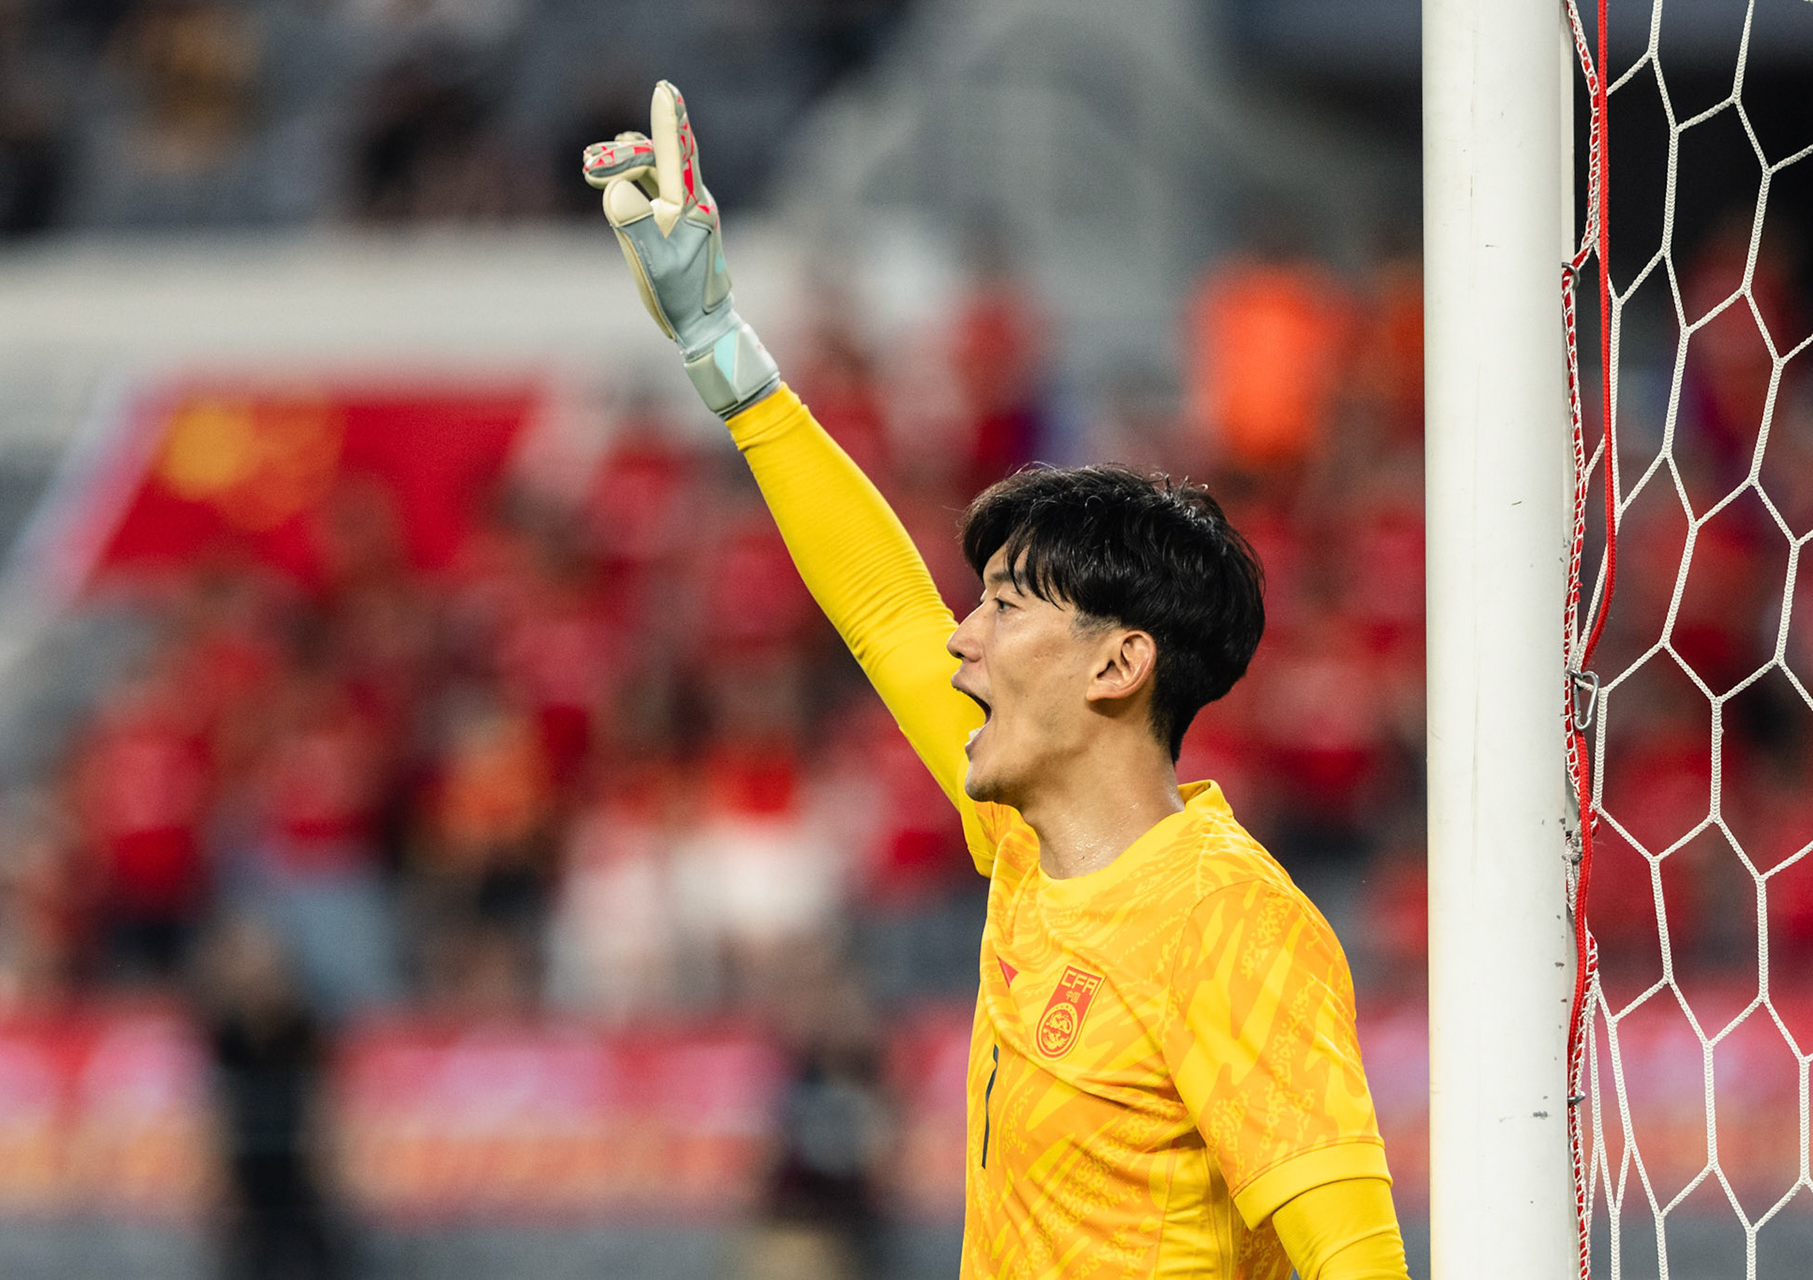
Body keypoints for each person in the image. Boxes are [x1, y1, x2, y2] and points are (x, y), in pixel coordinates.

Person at [583, 82, 1409, 1280]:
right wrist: (721, 347)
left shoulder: (1227, 924)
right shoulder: (1030, 843)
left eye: (1005, 608)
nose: (961, 642)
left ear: (1119, 664)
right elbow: (881, 610)